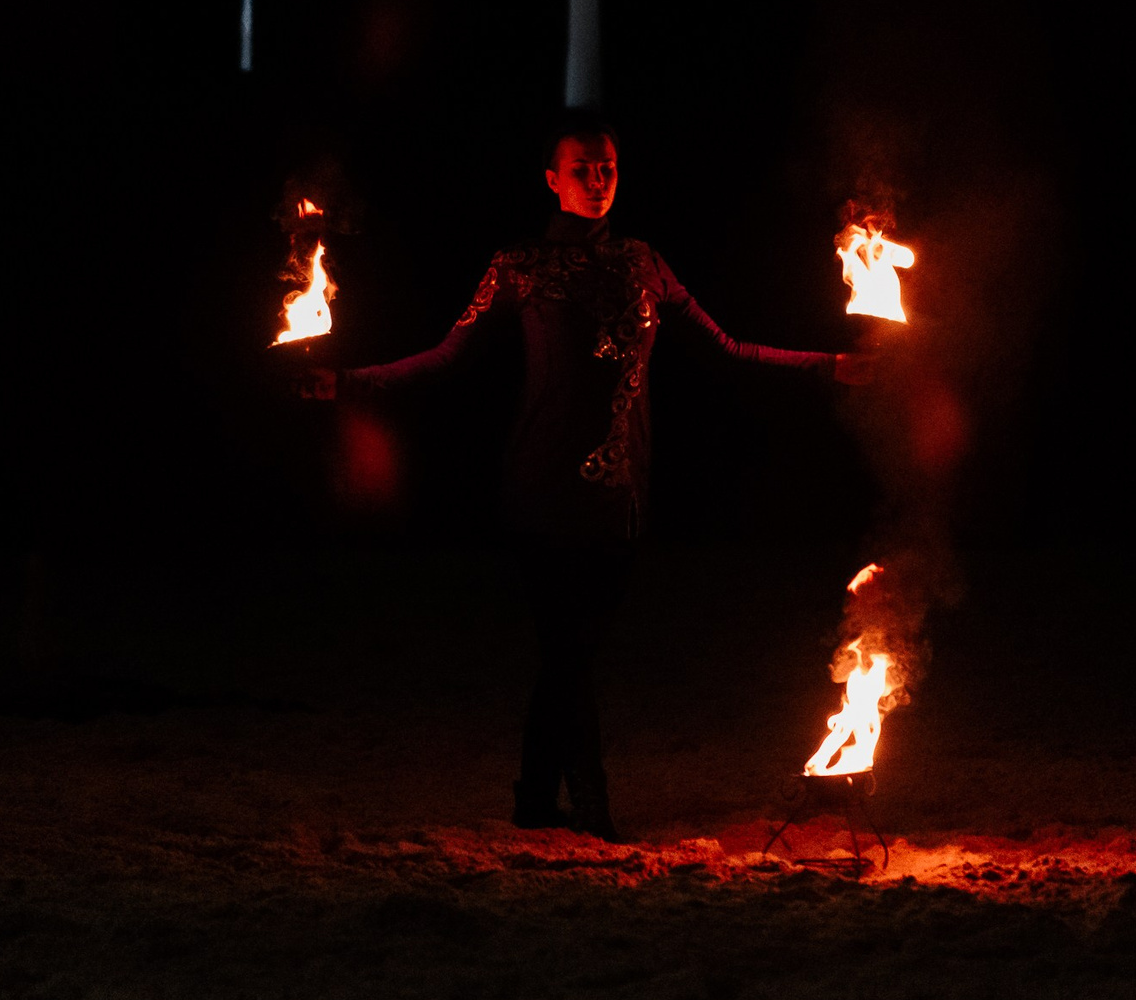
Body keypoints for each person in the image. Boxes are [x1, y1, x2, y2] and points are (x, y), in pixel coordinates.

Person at [298, 118, 868, 839]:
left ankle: (535, 800)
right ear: (552, 179)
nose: (598, 180)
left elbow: (728, 348)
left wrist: (831, 365)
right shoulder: (518, 265)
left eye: (608, 168)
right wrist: (347, 383)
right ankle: (590, 807)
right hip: (540, 486)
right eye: (582, 168)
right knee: (569, 650)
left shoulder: (644, 262)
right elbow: (445, 357)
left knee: (567, 654)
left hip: (621, 493)